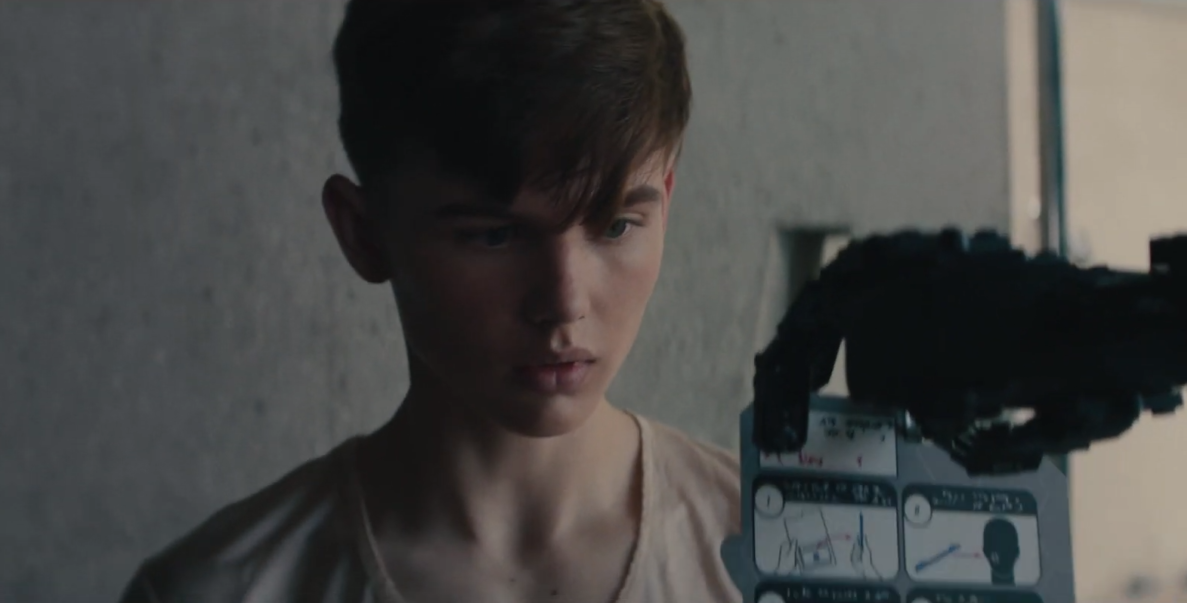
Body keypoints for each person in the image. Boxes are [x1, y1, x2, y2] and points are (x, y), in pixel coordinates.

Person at [117, 0, 742, 601]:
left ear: (665, 203)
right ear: (364, 234)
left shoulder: (771, 554)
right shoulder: (218, 590)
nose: (565, 303)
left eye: (616, 226)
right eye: (494, 236)